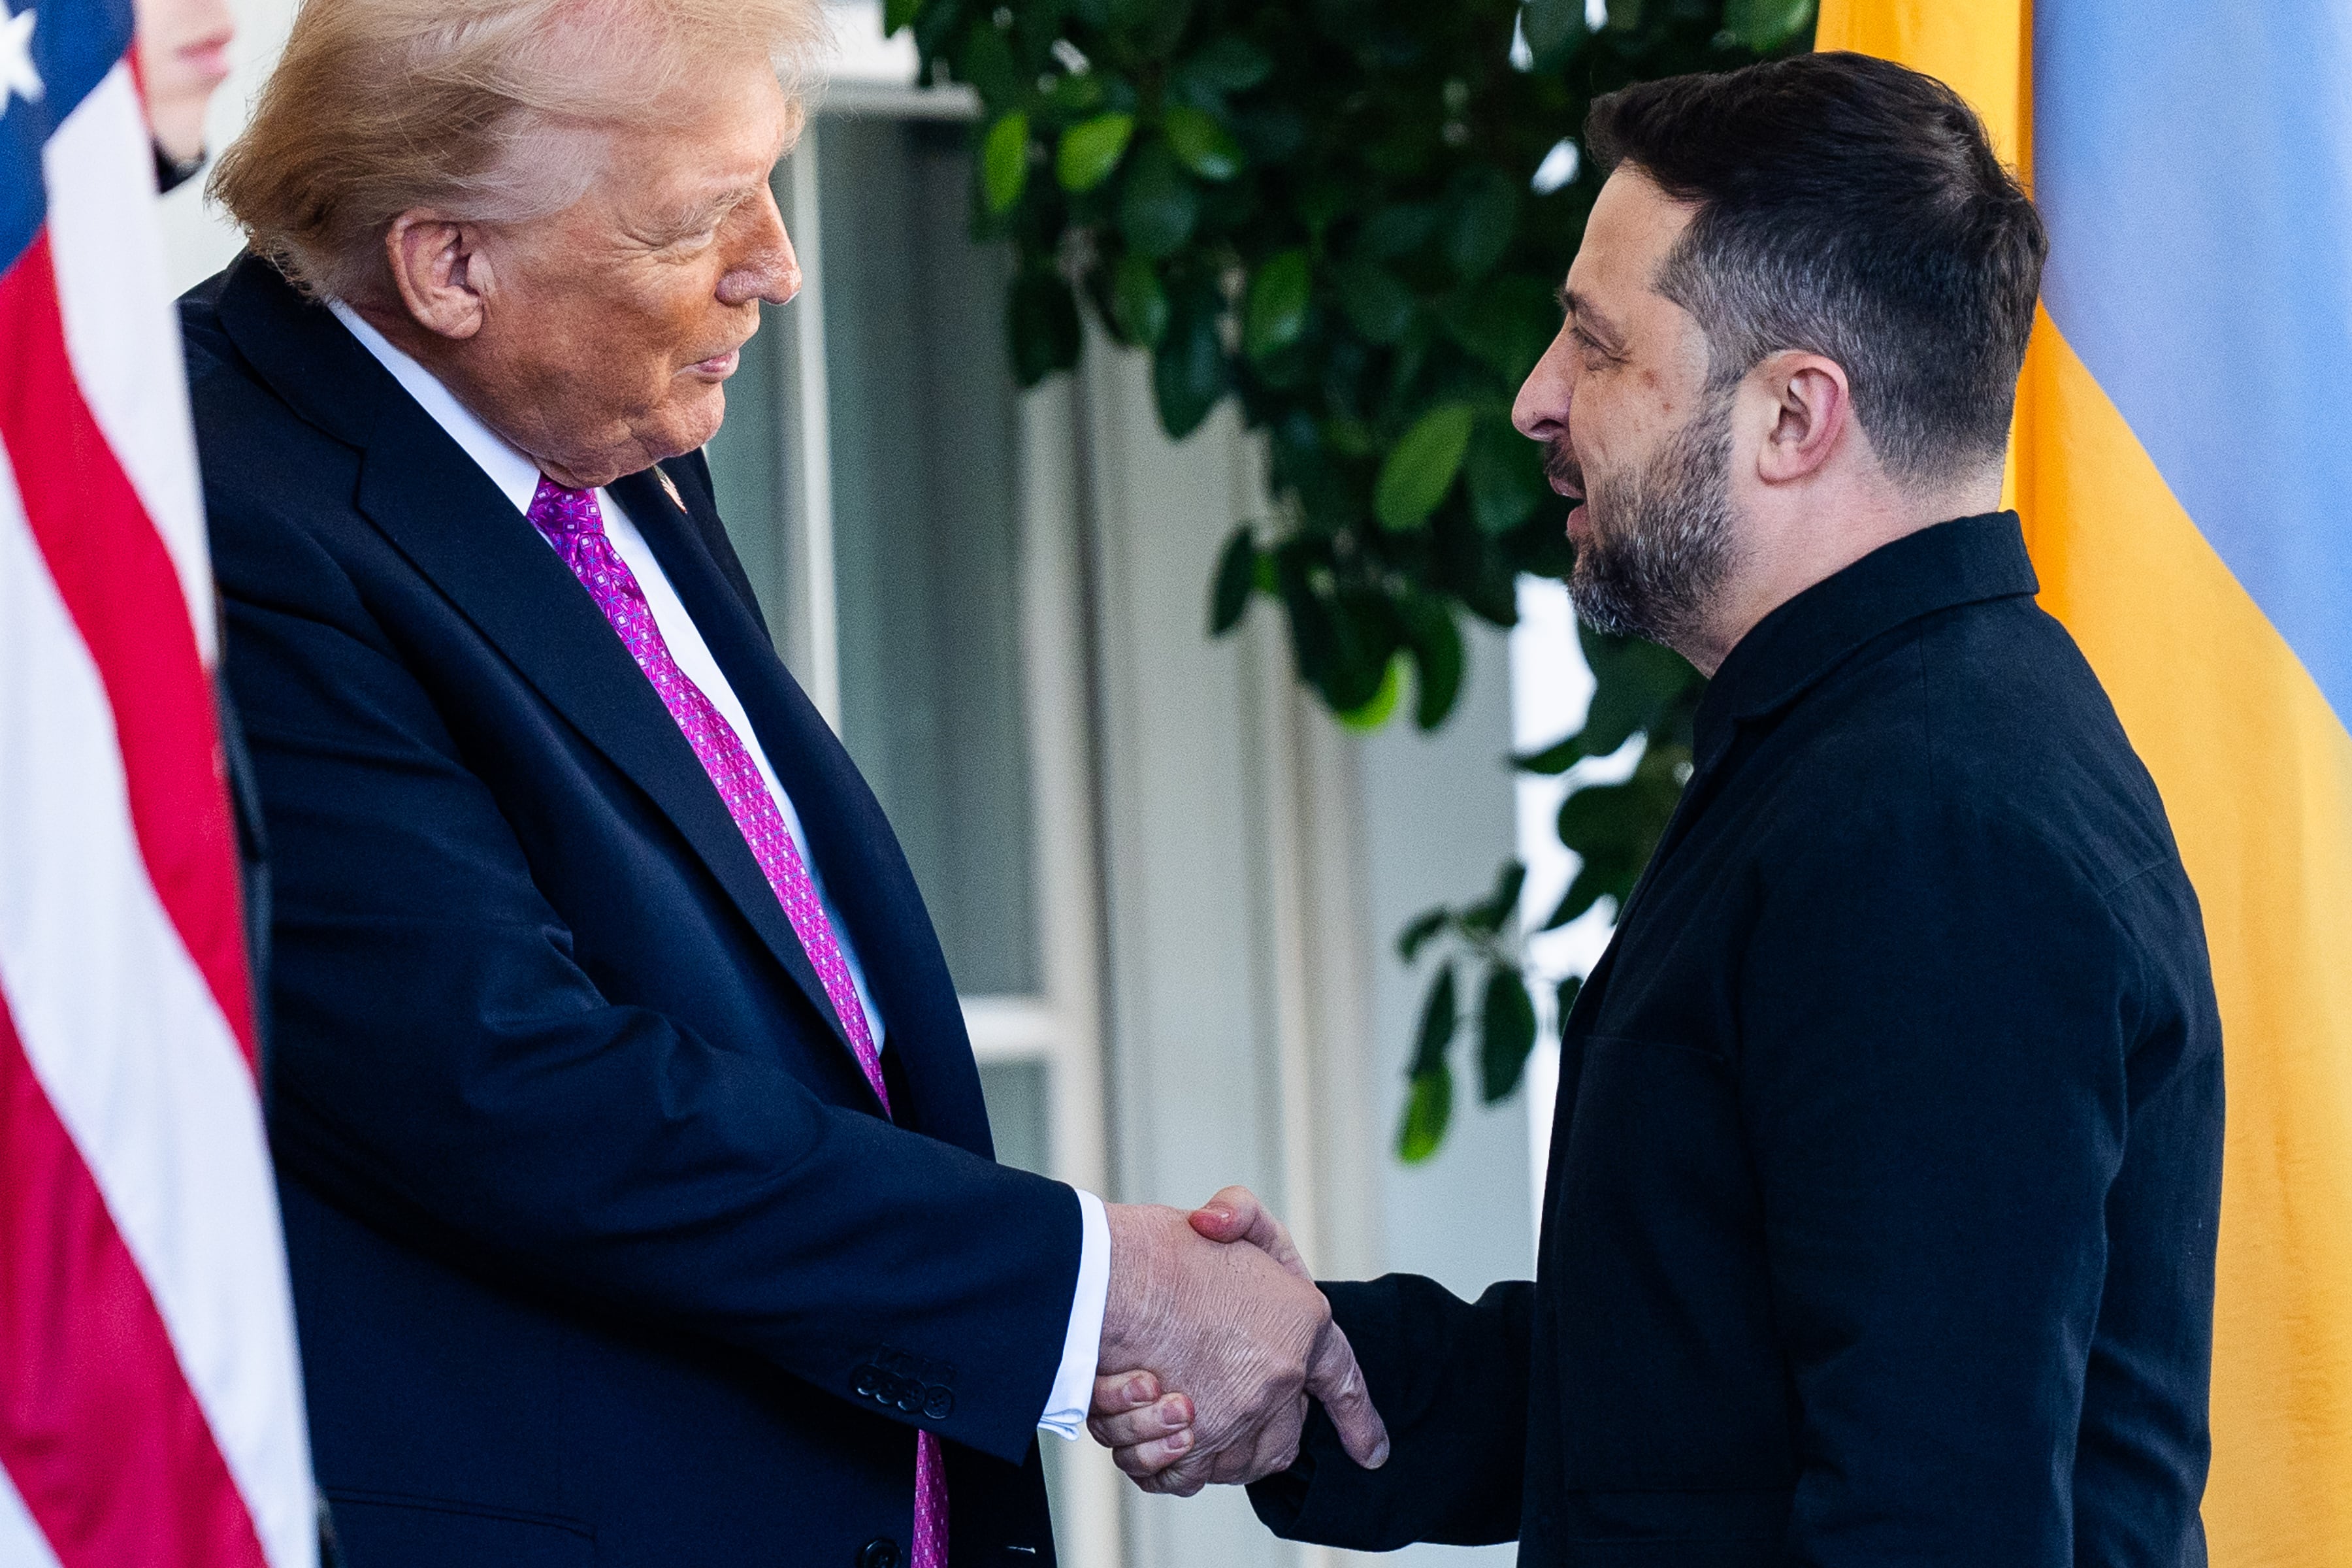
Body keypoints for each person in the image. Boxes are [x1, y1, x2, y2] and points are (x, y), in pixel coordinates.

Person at [181, 1, 1384, 1563]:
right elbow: (512, 1089)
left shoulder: (593, 420)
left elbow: (788, 992)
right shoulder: (217, 513)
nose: (777, 263)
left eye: (770, 183)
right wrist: (1096, 1289)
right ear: (449, 264)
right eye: (694, 220)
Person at [1090, 52, 2227, 1565]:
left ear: (1792, 417)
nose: (1533, 401)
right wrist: (1325, 1367)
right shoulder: (1865, 743)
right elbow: (1708, 1391)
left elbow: (1934, 1514)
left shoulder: (1929, 821)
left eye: (1597, 346)